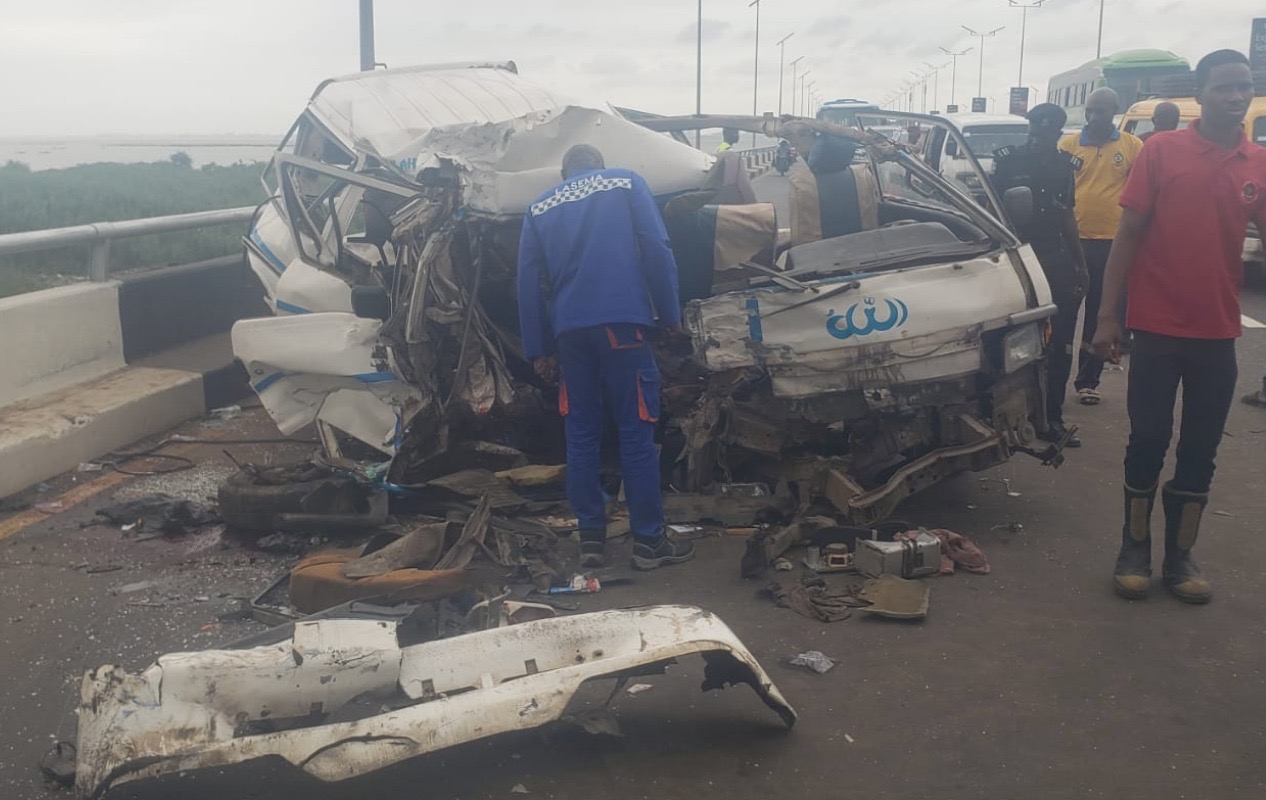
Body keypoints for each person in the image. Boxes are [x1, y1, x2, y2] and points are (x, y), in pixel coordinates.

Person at [1093, 50, 1266, 604]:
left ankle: (1181, 556)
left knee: (1201, 447)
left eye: (1244, 87)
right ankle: (1134, 549)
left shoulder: (1256, 162)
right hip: (1158, 328)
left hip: (1218, 333)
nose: (1235, 96)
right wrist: (1105, 317)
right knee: (1147, 438)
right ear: (1201, 92)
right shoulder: (1162, 152)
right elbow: (1128, 235)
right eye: (1223, 88)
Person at [517, 144, 695, 571]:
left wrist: (538, 348)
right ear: (597, 164)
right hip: (624, 325)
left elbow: (526, 280)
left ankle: (591, 539)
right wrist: (670, 315)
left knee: (581, 432)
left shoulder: (539, 207)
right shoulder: (625, 181)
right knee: (636, 430)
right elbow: (656, 246)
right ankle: (648, 542)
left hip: (570, 333)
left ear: (565, 174)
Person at [992, 103, 1089, 449]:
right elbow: (993, 215)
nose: (1035, 138)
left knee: (1059, 345)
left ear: (1056, 134)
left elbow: (1067, 218)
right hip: (1015, 259)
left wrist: (1080, 265)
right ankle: (1006, 417)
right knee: (1011, 343)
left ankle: (1051, 418)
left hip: (1052, 259)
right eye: (1032, 131)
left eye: (1043, 133)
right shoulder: (1007, 162)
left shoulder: (1065, 167)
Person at [1059, 88, 1145, 408]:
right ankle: (1054, 377)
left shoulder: (1131, 146)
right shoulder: (1066, 146)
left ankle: (1087, 381)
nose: (1094, 117)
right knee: (1065, 313)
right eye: (1090, 111)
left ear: (1115, 111)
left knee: (1100, 315)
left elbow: (1140, 195)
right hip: (1072, 243)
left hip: (1112, 244)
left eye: (1102, 111)